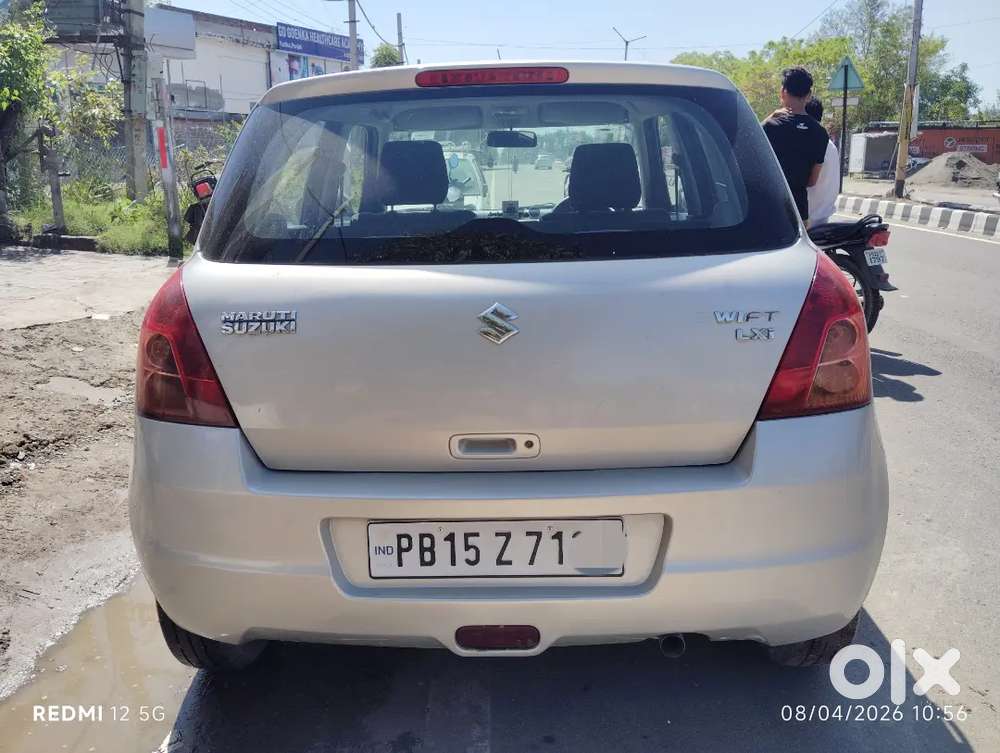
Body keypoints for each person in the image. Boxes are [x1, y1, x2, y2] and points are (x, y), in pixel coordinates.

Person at [762, 67, 830, 226]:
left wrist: (769, 117)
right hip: (799, 212)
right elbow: (812, 181)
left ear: (783, 92)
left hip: (770, 210)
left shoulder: (769, 127)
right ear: (809, 96)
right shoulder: (820, 133)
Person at [804, 97, 840, 226]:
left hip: (805, 219)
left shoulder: (810, 141)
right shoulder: (830, 144)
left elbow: (808, 181)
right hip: (823, 218)